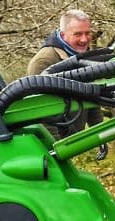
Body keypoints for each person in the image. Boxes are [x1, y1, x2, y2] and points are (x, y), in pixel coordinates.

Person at [28, 9, 107, 156]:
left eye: (87, 33)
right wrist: (58, 149)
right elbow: (42, 112)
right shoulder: (45, 62)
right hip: (52, 148)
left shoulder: (83, 58)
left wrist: (100, 136)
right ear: (63, 35)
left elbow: (92, 98)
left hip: (73, 140)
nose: (84, 39)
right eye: (77, 34)